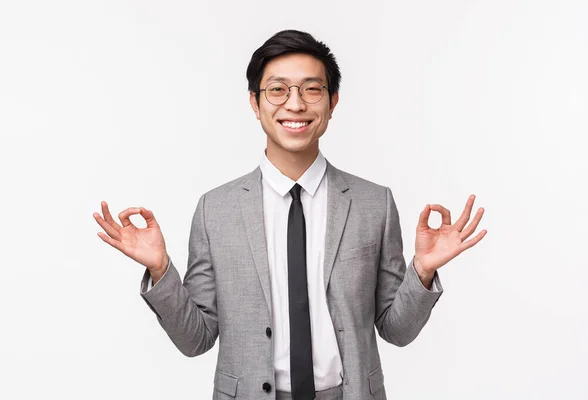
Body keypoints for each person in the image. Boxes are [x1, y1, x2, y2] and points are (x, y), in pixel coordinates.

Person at [93, 29, 487, 400]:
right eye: (278, 90)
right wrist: (161, 270)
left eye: (311, 89)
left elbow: (396, 330)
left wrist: (422, 271)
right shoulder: (216, 209)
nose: (295, 104)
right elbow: (196, 339)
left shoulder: (373, 204)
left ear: (332, 103)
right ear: (255, 102)